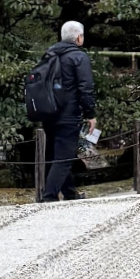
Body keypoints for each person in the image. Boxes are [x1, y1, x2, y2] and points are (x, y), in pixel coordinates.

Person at [41, 20, 96, 201]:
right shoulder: (79, 57)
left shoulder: (49, 55)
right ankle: (48, 196)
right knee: (63, 158)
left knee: (58, 154)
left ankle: (70, 193)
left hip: (48, 112)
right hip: (68, 114)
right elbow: (85, 88)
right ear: (79, 37)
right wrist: (90, 114)